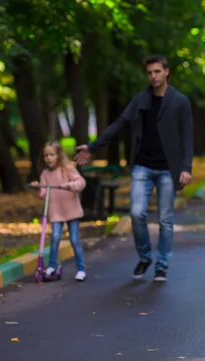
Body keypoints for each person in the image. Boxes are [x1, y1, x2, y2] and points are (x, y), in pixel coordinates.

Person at [74, 54, 194, 282]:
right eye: (150, 72)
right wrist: (92, 147)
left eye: (158, 71)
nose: (154, 76)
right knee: (136, 213)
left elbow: (187, 136)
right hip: (142, 166)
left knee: (165, 219)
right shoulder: (141, 99)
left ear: (167, 72)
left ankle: (162, 265)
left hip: (169, 168)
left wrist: (186, 167)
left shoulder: (180, 101)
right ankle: (145, 257)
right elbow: (119, 123)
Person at [30, 141, 87, 281]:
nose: (48, 158)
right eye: (46, 155)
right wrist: (38, 187)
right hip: (55, 211)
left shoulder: (66, 168)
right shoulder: (45, 174)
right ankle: (52, 265)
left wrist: (69, 186)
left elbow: (81, 182)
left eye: (52, 154)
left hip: (71, 210)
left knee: (74, 239)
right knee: (55, 237)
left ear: (59, 155)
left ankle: (81, 269)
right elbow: (43, 193)